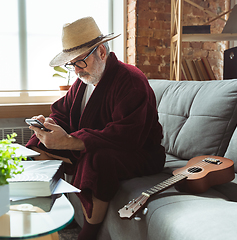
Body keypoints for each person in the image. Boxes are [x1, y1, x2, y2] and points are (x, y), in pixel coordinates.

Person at [26, 16, 165, 240]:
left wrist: (69, 141)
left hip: (140, 153)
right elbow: (62, 112)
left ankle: (88, 234)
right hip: (91, 142)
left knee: (98, 159)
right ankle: (41, 210)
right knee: (37, 144)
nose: (76, 70)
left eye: (80, 61)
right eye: (71, 63)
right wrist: (50, 126)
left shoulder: (130, 80)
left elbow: (126, 136)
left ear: (101, 52)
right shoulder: (83, 81)